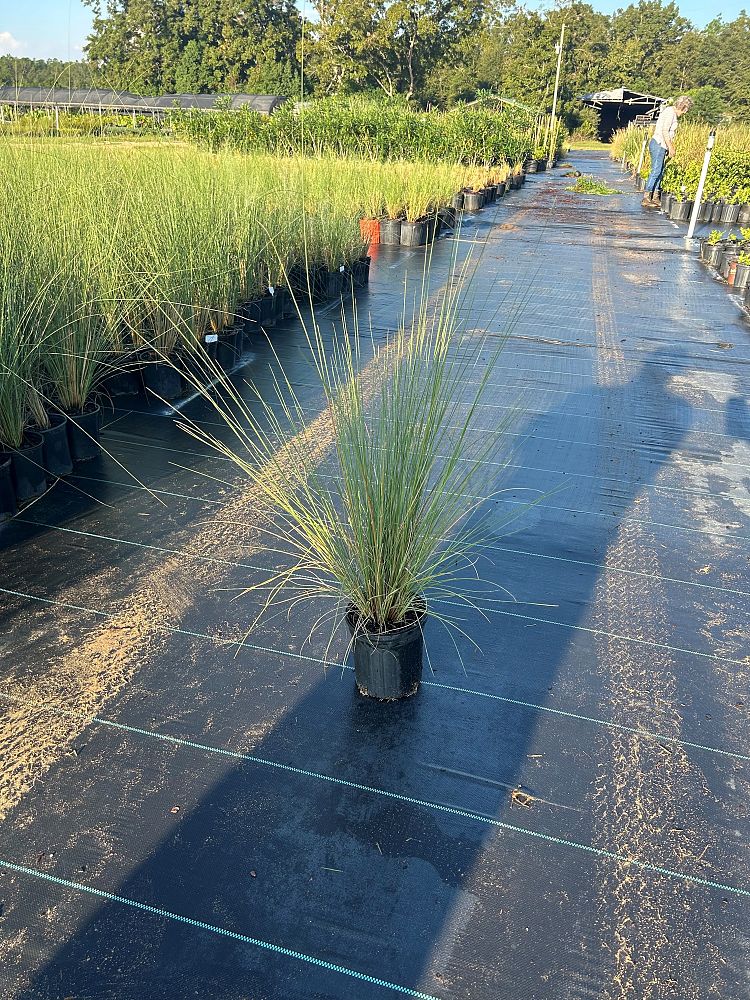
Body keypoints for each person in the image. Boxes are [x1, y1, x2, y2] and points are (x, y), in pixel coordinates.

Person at [641, 95, 694, 208]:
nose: (685, 113)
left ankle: (655, 197)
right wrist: (671, 147)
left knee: (660, 171)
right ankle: (646, 197)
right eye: (686, 110)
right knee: (656, 170)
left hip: (662, 146)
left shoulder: (671, 113)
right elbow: (665, 131)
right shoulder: (670, 113)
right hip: (659, 144)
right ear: (683, 107)